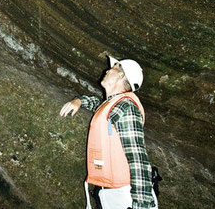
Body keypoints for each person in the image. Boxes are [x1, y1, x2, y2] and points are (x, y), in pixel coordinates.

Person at [60, 56, 158, 209]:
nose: (107, 70)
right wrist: (79, 101)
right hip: (110, 192)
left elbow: (137, 157)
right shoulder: (114, 105)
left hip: (126, 195)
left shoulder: (127, 108)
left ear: (121, 75)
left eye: (113, 67)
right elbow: (99, 106)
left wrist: (142, 205)